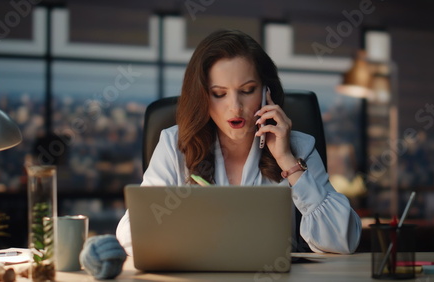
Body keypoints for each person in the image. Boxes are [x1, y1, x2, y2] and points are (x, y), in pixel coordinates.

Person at [116, 29, 361, 255]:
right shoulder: (175, 144)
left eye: (247, 90)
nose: (235, 107)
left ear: (267, 92)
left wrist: (288, 162)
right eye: (219, 94)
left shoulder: (298, 147)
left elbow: (343, 240)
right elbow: (130, 234)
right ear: (203, 97)